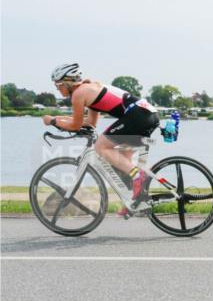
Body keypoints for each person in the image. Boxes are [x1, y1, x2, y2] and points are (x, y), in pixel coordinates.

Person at [44, 63, 160, 213]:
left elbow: (75, 125)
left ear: (67, 82)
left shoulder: (78, 94)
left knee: (101, 147)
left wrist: (52, 121)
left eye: (58, 84)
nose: (57, 88)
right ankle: (135, 202)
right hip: (146, 115)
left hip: (138, 115)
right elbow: (90, 123)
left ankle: (139, 175)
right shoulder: (88, 89)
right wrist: (59, 119)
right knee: (122, 162)